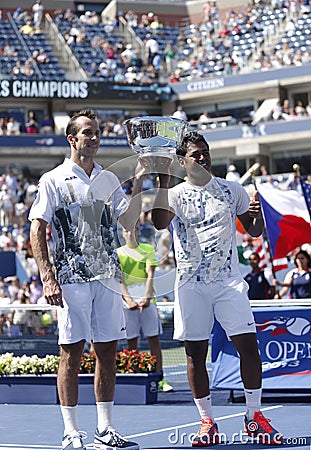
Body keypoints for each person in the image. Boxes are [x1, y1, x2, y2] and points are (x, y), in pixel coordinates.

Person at [150, 131, 283, 446]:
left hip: (228, 282)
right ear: (183, 162)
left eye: (205, 152)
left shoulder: (230, 189)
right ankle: (207, 421)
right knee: (196, 354)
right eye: (195, 154)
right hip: (191, 285)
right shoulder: (176, 194)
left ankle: (254, 416)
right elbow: (158, 222)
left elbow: (253, 230)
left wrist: (257, 215)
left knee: (249, 348)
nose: (203, 157)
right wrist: (161, 183)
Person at [28, 109, 146, 450]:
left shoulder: (109, 179)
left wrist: (138, 179)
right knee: (71, 353)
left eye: (96, 132)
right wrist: (48, 277)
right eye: (87, 133)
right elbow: (37, 227)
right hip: (70, 279)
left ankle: (105, 430)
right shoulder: (53, 179)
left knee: (107, 352)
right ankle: (70, 431)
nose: (94, 137)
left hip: (107, 277)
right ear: (72, 139)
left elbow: (128, 222)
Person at [117, 226, 173, 392]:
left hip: (147, 300)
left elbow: (150, 274)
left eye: (133, 230)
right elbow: (119, 280)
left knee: (153, 339)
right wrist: (128, 300)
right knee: (131, 341)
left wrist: (147, 297)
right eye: (127, 231)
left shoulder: (147, 249)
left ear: (137, 232)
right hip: (127, 302)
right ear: (122, 233)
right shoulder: (118, 253)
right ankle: (133, 376)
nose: (130, 233)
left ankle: (160, 379)